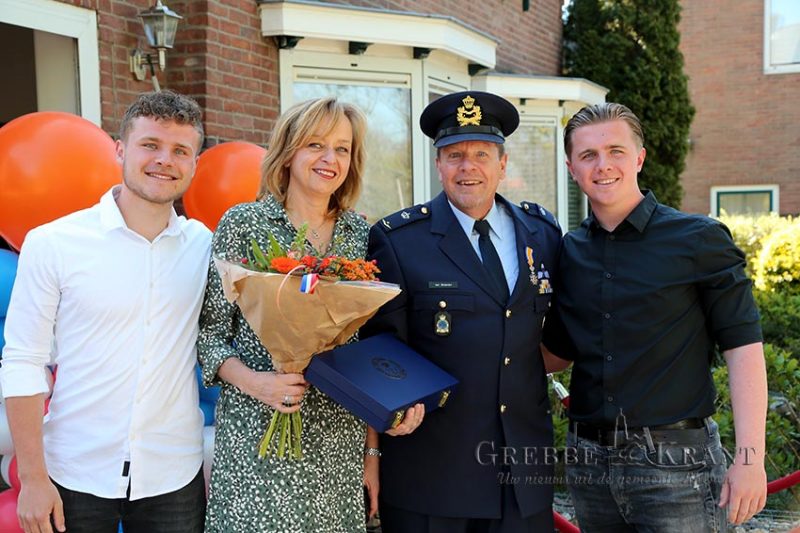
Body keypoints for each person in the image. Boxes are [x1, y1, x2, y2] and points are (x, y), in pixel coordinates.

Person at [197, 96, 422, 533]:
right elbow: (210, 335)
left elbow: (366, 349)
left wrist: (371, 453)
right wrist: (258, 383)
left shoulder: (361, 235)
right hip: (256, 437)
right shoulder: (244, 223)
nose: (329, 159)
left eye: (342, 149)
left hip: (337, 442)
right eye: (315, 144)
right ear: (288, 152)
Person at [542, 102, 768, 532]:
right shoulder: (569, 251)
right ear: (572, 168)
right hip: (589, 464)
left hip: (678, 467)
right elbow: (556, 353)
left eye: (616, 151)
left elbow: (743, 350)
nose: (603, 165)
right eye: (588, 155)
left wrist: (749, 459)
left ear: (639, 158)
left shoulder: (699, 239)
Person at [1, 90, 210, 533]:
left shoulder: (205, 247)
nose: (164, 160)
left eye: (180, 151)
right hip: (74, 470)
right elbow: (23, 362)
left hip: (173, 473)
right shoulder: (54, 243)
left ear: (194, 163)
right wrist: (33, 478)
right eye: (150, 145)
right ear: (119, 150)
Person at [362, 91, 562, 533]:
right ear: (438, 165)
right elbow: (378, 352)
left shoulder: (543, 234)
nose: (467, 167)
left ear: (503, 164)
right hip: (433, 477)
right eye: (454, 155)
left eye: (481, 155)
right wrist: (374, 446)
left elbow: (559, 334)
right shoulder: (399, 240)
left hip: (521, 478)